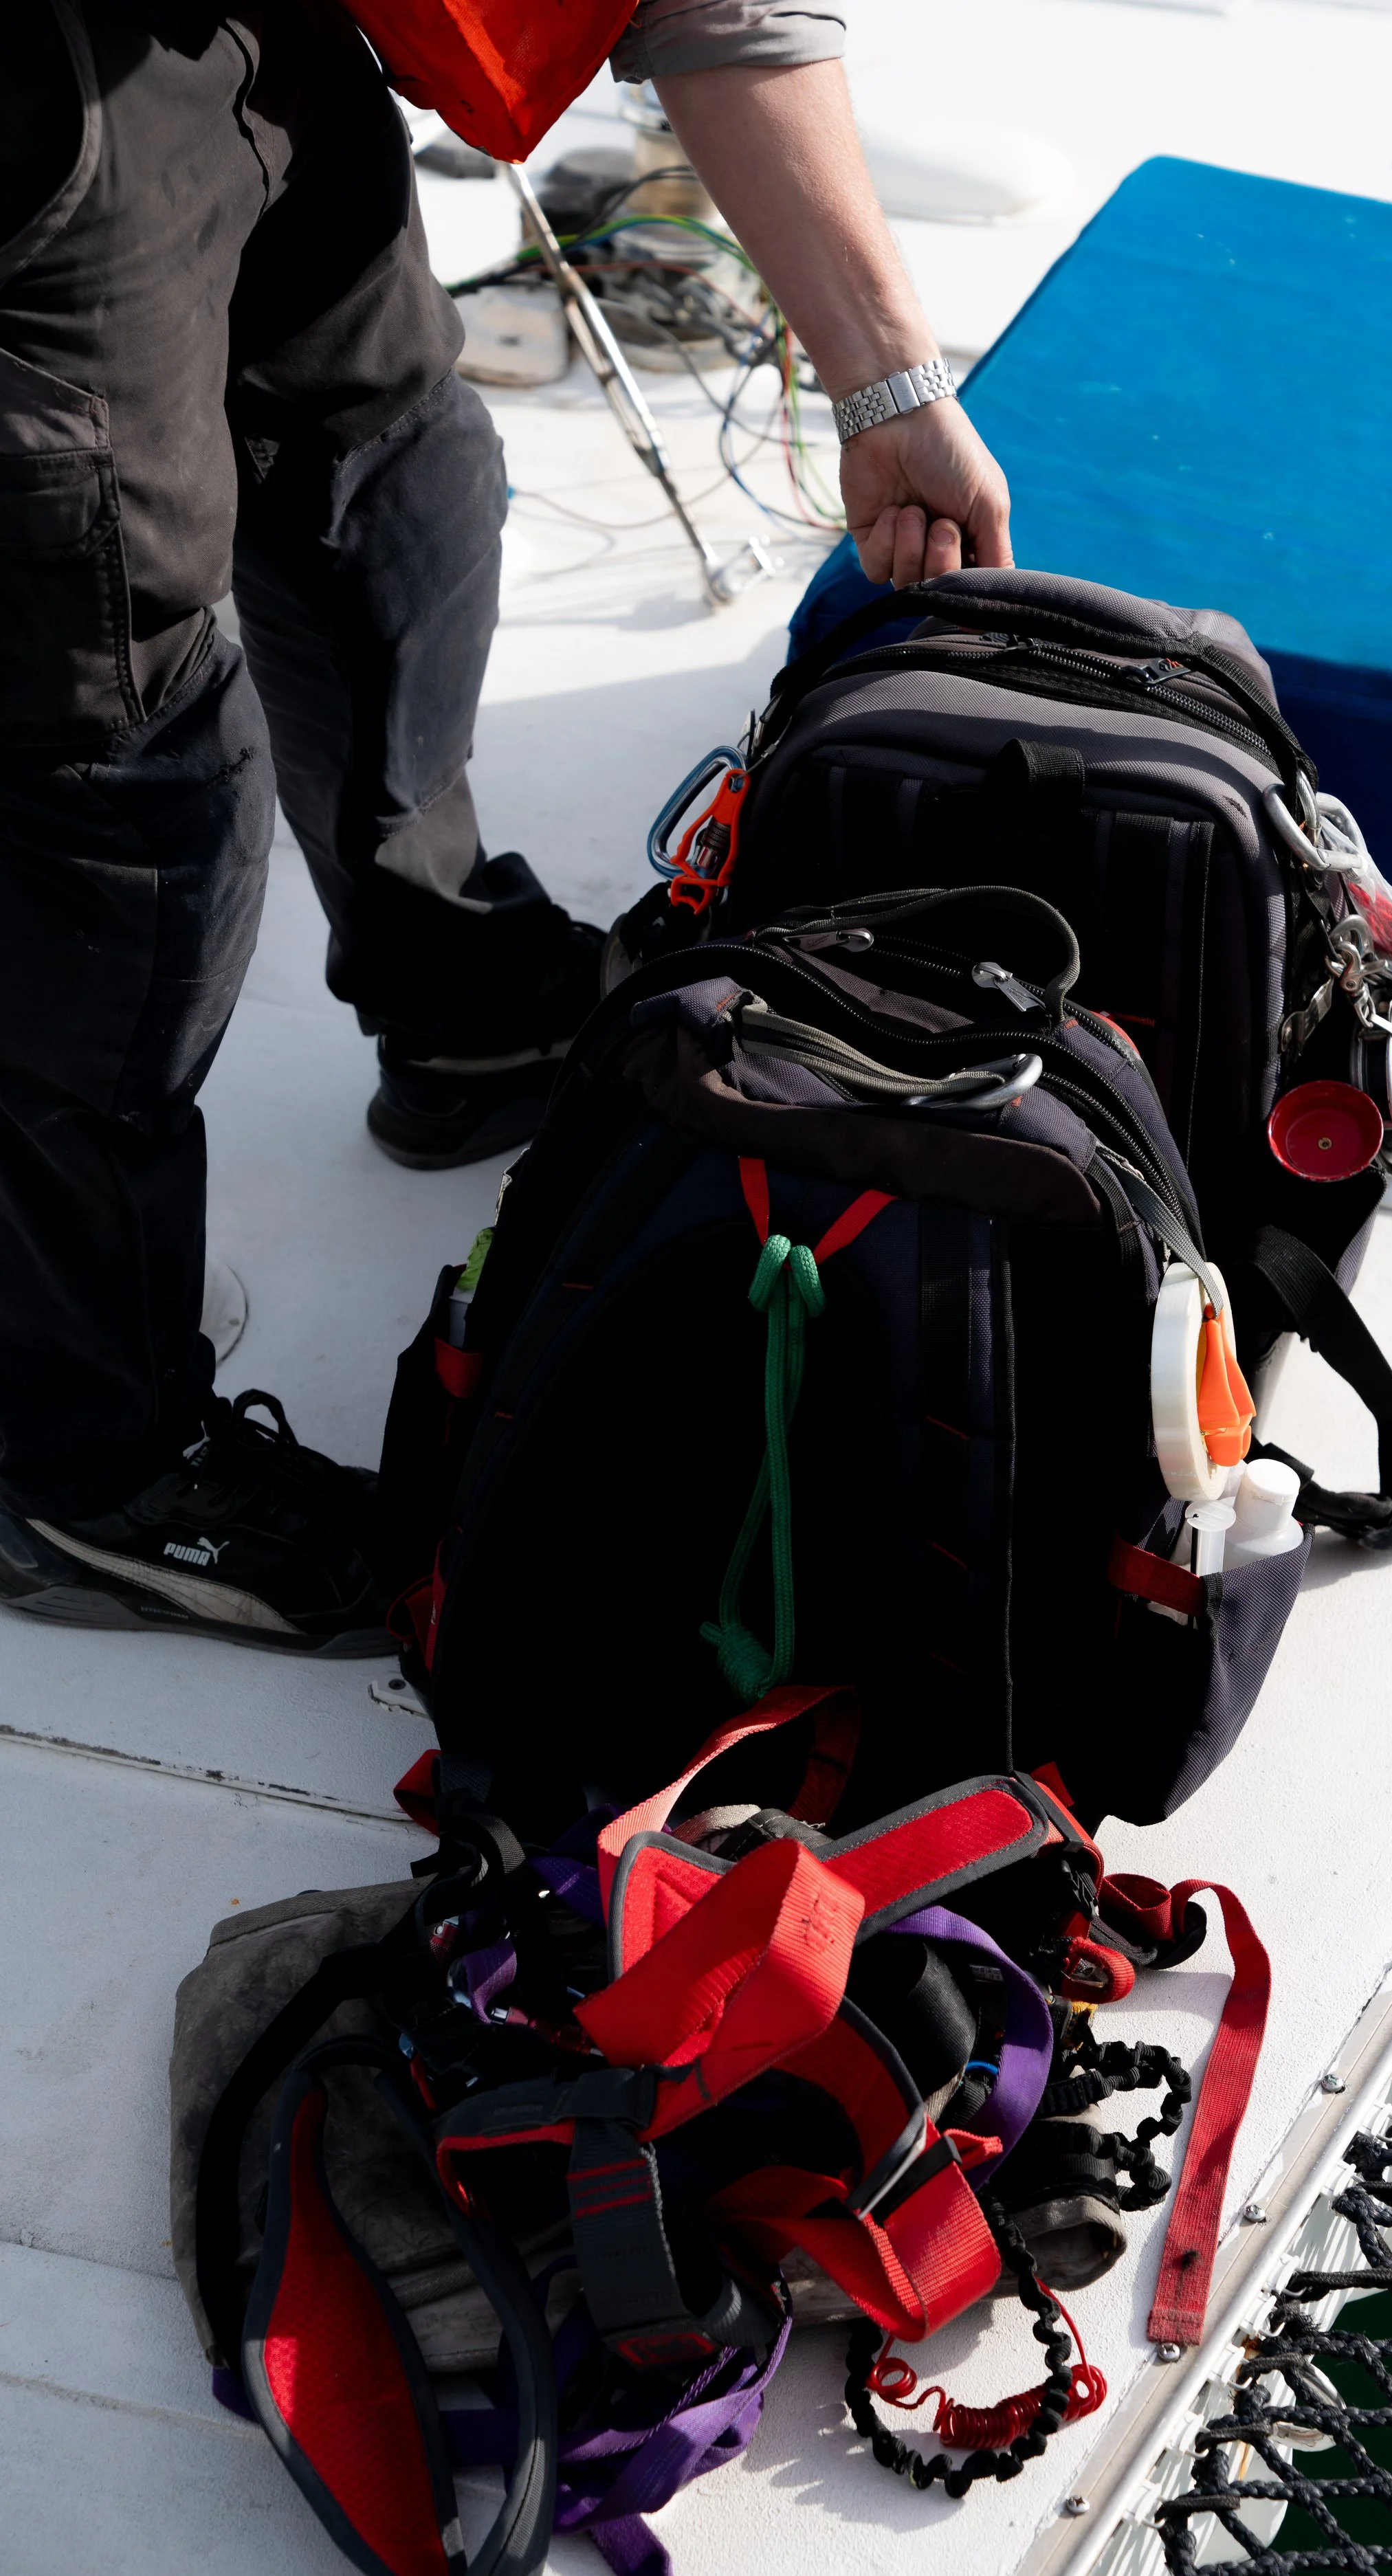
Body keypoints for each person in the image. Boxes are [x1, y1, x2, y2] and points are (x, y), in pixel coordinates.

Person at [0, 0, 1010, 1652]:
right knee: (126, 778)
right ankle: (81, 1465)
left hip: (227, 31)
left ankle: (463, 1002)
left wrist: (884, 384)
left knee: (394, 472)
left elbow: (707, 9)